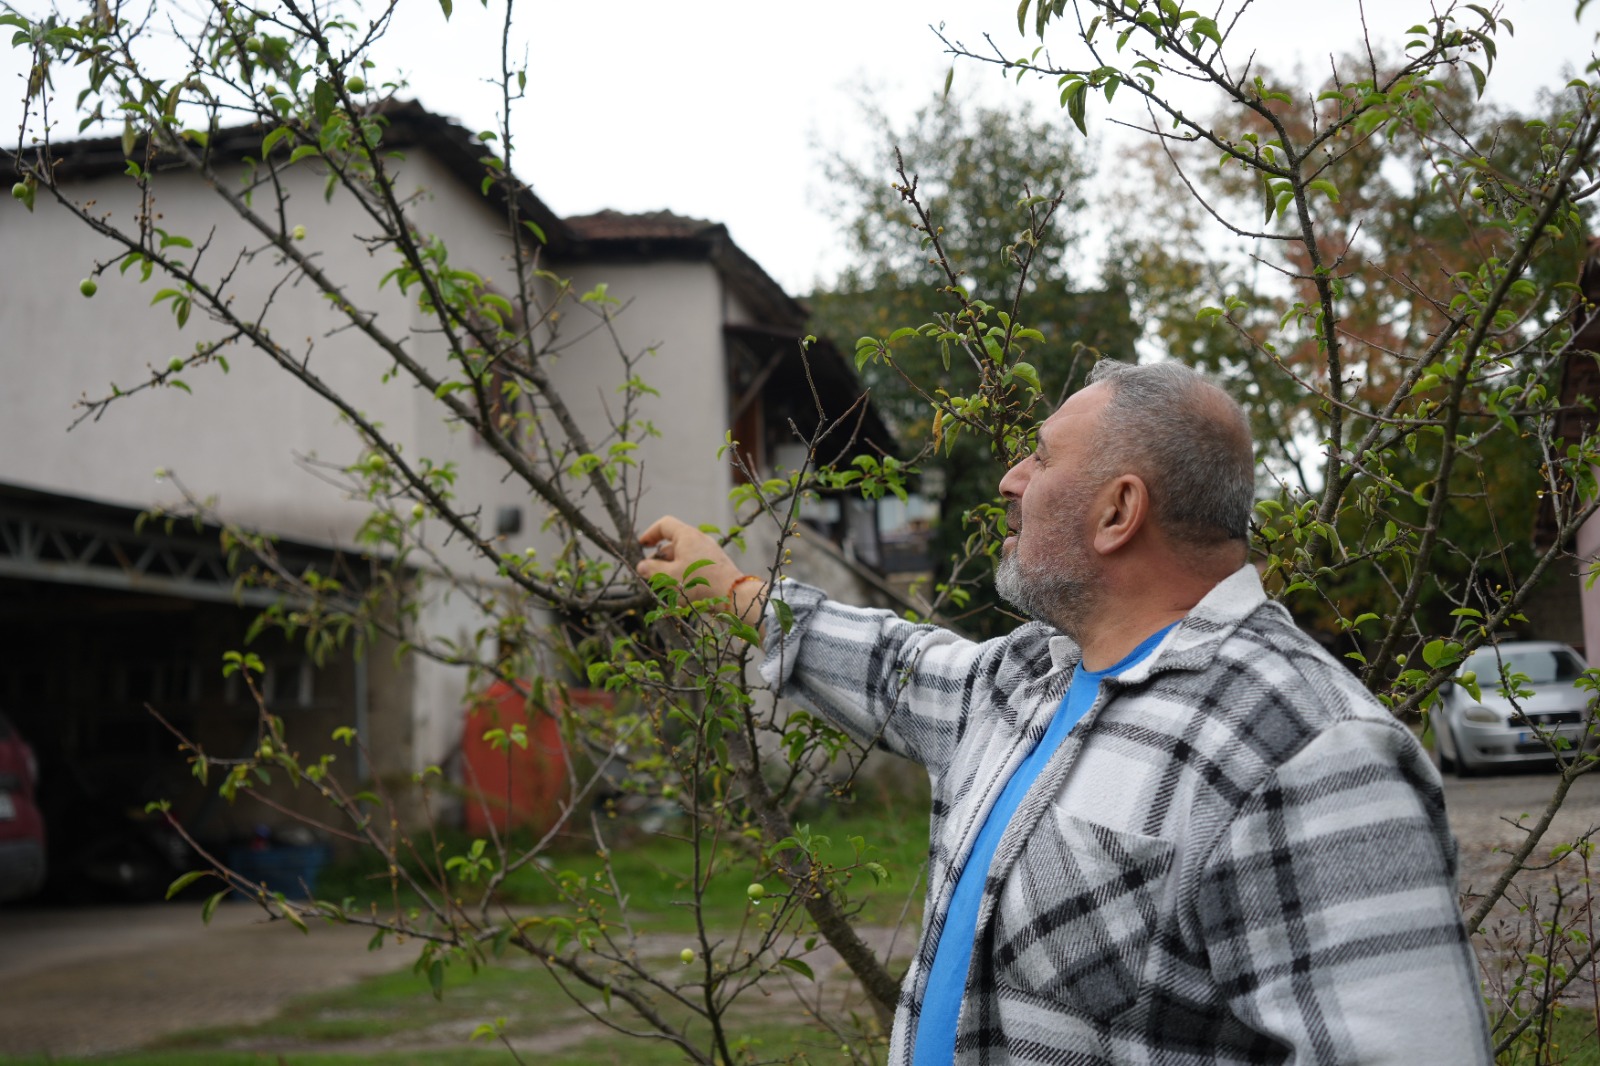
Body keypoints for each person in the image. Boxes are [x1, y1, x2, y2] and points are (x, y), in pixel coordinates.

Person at [637, 360, 1491, 1065]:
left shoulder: (1309, 751)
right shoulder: (1024, 683)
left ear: (1119, 510)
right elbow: (893, 666)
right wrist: (734, 590)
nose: (1010, 479)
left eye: (1040, 459)